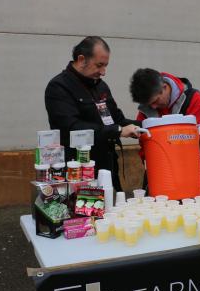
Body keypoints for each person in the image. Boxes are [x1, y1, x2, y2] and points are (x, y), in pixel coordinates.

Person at [45, 36, 141, 191]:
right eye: (99, 65)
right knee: (88, 212)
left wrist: (147, 126)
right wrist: (117, 131)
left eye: (106, 66)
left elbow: (117, 119)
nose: (103, 72)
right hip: (79, 170)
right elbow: (72, 128)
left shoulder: (101, 86)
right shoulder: (59, 87)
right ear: (82, 59)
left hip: (108, 167)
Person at [129, 68, 200, 193]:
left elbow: (190, 141)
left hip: (197, 166)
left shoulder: (193, 99)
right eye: (150, 104)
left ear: (165, 87)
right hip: (161, 173)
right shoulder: (145, 111)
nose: (153, 107)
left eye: (155, 101)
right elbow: (145, 146)